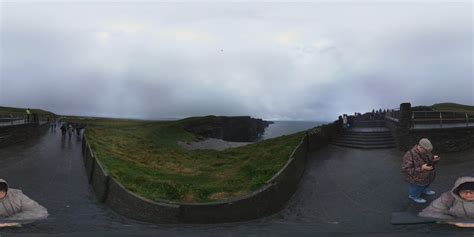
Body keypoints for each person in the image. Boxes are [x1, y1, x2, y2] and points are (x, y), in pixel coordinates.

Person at [401, 138, 441, 203]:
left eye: (429, 151)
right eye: (427, 151)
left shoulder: (426, 151)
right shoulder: (409, 154)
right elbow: (406, 169)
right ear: (420, 147)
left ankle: (424, 190)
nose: (428, 152)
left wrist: (434, 159)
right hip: (416, 178)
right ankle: (413, 196)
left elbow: (429, 160)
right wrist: (421, 168)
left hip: (426, 176)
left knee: (425, 185)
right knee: (416, 188)